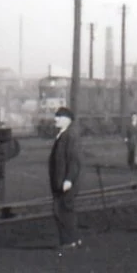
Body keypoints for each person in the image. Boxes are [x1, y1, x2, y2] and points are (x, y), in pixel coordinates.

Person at [48, 106, 83, 251]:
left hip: (65, 182)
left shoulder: (69, 136)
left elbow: (74, 160)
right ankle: (73, 239)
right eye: (56, 116)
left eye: (59, 117)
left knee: (63, 211)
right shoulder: (63, 135)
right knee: (63, 210)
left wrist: (69, 179)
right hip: (60, 181)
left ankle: (69, 241)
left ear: (67, 120)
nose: (56, 119)